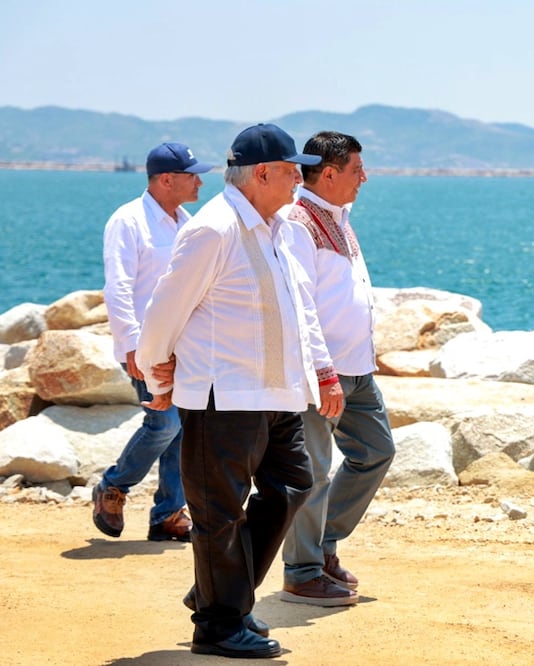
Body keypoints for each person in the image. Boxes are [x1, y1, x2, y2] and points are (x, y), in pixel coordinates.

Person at [136, 123, 345, 659]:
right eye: (293, 170)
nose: (300, 179)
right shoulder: (216, 228)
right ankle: (220, 624)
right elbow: (165, 308)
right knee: (219, 514)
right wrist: (155, 372)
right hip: (221, 396)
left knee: (295, 487)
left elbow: (297, 311)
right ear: (262, 173)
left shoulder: (274, 227)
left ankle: (216, 590)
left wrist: (318, 372)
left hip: (276, 396)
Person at [280, 132, 395, 606]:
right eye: (356, 170)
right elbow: (301, 301)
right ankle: (302, 571)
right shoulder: (297, 222)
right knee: (315, 472)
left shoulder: (339, 218)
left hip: (356, 369)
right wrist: (322, 372)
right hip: (320, 372)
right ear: (328, 172)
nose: (364, 177)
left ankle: (322, 544)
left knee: (376, 451)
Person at [93, 142, 213, 542]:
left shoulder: (186, 221)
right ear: (166, 180)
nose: (199, 181)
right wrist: (129, 345)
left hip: (184, 346)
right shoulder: (127, 221)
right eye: (192, 174)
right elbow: (118, 287)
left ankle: (166, 515)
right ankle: (113, 486)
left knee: (181, 430)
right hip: (146, 346)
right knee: (164, 423)